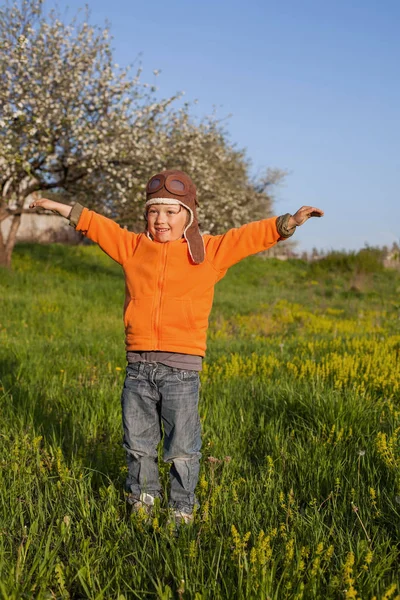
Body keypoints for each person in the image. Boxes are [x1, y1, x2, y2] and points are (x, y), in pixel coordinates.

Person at [30, 169, 323, 524]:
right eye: (154, 211)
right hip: (138, 367)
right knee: (137, 444)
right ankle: (143, 500)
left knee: (182, 448)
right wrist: (53, 204)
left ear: (188, 215)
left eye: (171, 211)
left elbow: (247, 238)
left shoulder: (209, 252)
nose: (161, 219)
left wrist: (288, 222)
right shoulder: (134, 247)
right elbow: (97, 225)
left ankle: (182, 508)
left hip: (182, 371)